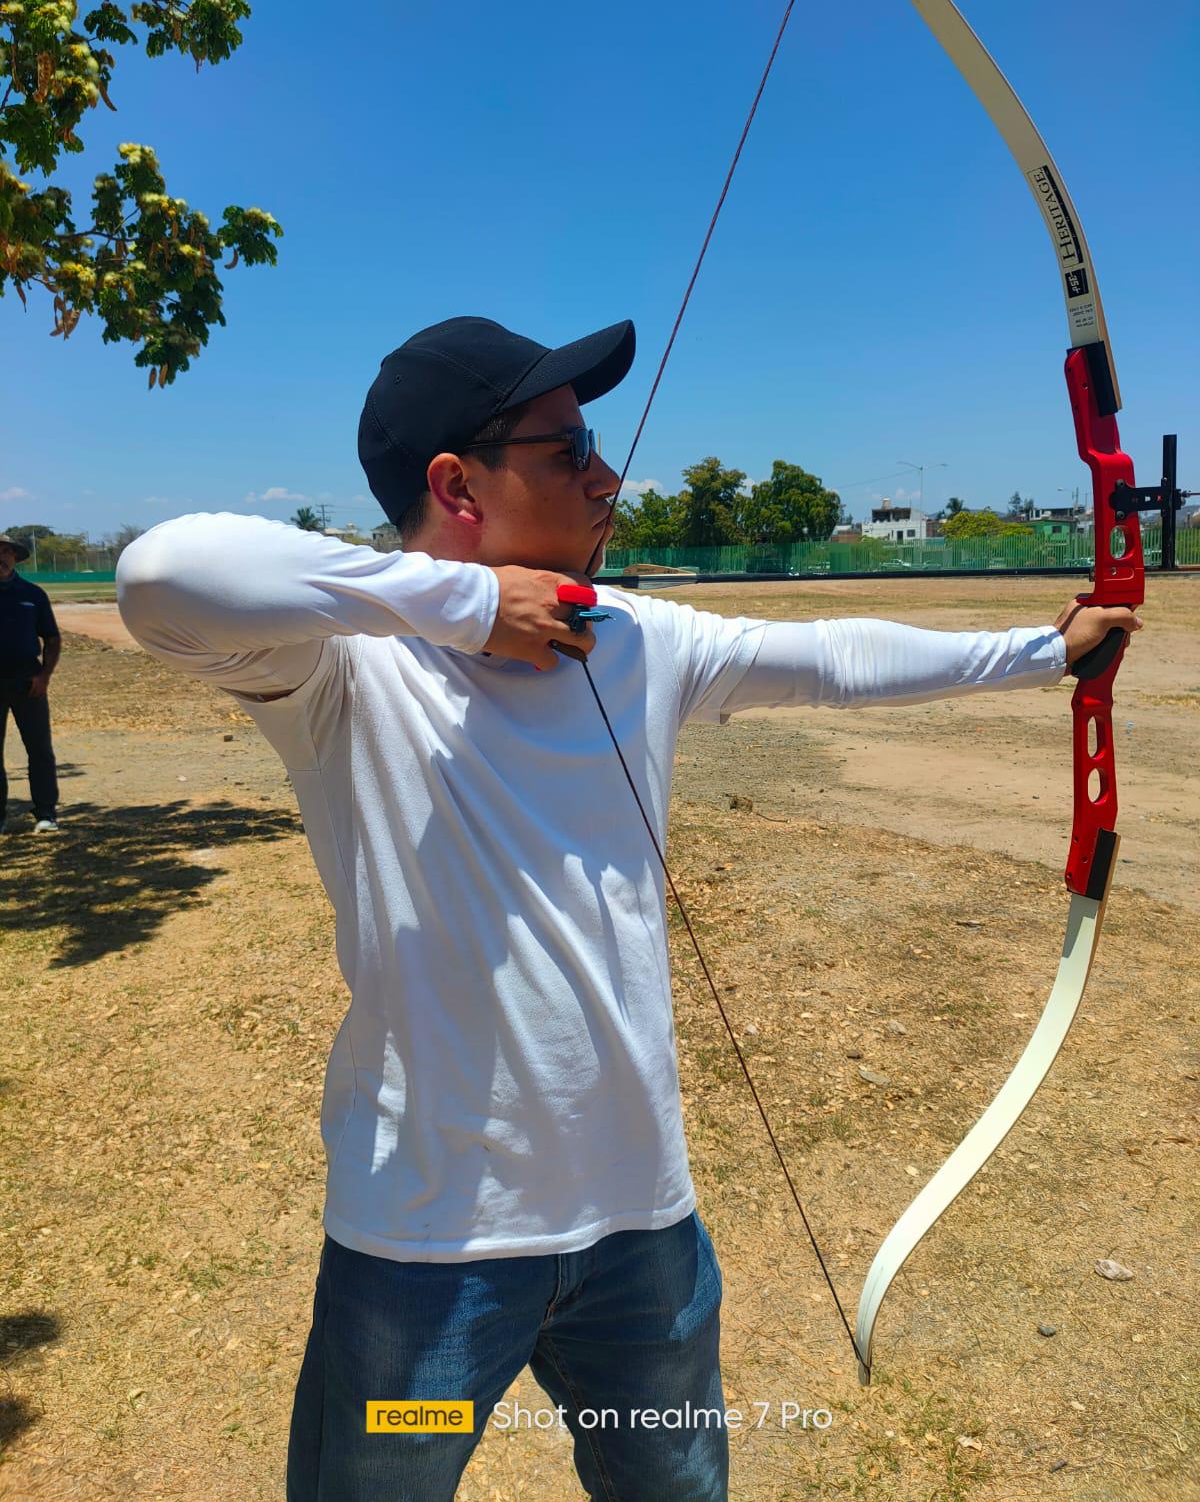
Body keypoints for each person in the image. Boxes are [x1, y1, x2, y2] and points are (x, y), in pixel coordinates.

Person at [115, 316, 1140, 1502]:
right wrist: (458, 604)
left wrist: (1040, 649)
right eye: (569, 451)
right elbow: (161, 574)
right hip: (427, 1259)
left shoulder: (636, 638)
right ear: (456, 485)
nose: (609, 475)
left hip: (640, 1244)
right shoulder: (340, 668)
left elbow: (828, 659)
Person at [0, 533, 61, 834]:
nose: (2, 556)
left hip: (28, 681)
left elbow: (51, 638)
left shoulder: (32, 594)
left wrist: (44, 676)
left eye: (7, 551)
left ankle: (46, 813)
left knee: (39, 749)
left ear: (14, 556)